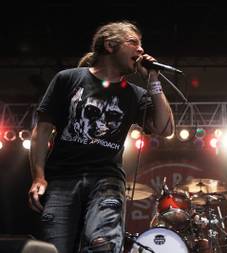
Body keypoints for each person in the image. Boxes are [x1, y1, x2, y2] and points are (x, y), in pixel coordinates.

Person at [27, 20, 174, 253]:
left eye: (141, 45)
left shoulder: (136, 95)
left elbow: (165, 128)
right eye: (133, 42)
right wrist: (39, 177)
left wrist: (153, 81)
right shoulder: (68, 79)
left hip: (107, 179)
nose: (141, 50)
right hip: (61, 179)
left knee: (102, 244)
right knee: (53, 249)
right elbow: (41, 130)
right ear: (109, 45)